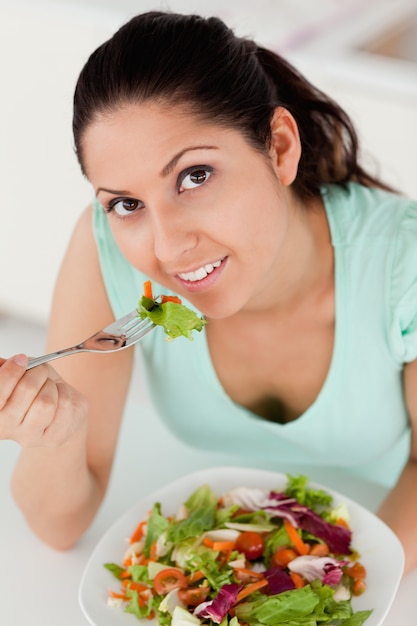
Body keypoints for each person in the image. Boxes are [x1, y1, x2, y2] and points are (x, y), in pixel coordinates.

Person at [1, 11, 416, 573]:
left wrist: (330, 587)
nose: (168, 247)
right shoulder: (106, 250)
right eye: (127, 204)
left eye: (195, 176)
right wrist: (52, 433)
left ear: (279, 147)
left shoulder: (402, 262)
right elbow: (58, 526)